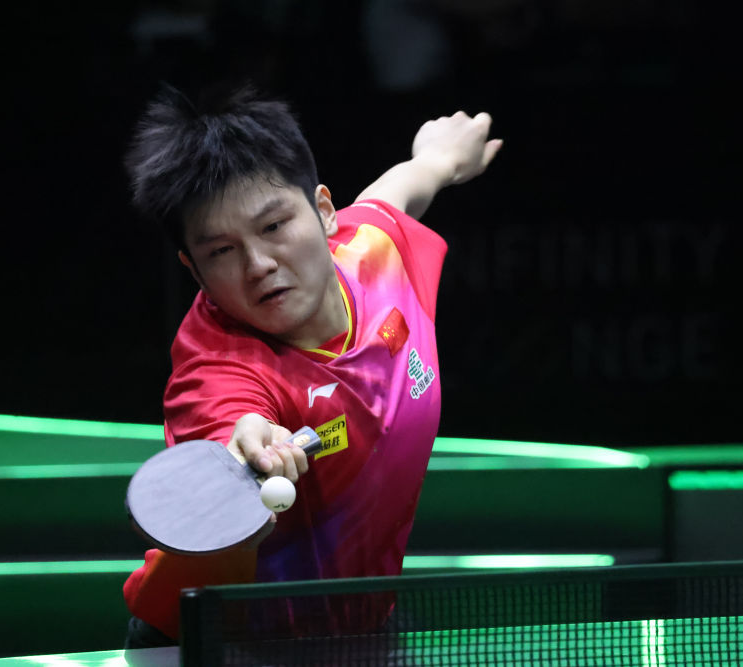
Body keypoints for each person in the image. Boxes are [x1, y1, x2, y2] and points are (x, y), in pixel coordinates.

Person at [121, 85, 502, 648]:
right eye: (221, 251)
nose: (258, 264)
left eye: (274, 226)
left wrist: (439, 159)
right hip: (220, 641)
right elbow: (229, 423)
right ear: (194, 271)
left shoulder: (376, 253)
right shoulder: (216, 364)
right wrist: (250, 446)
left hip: (362, 624)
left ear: (325, 212)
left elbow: (394, 194)